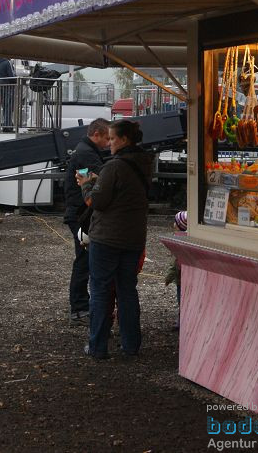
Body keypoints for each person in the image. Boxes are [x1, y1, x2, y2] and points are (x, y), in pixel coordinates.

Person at [77, 119, 152, 359]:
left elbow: (97, 202)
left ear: (124, 139)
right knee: (127, 290)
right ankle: (131, 345)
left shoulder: (115, 167)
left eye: (112, 138)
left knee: (100, 290)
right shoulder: (144, 162)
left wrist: (87, 185)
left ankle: (97, 347)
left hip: (107, 237)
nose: (109, 143)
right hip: (134, 236)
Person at [63, 118, 110, 325]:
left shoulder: (84, 150)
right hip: (81, 213)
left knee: (85, 259)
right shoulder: (87, 154)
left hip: (79, 211)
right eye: (107, 138)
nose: (109, 143)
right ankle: (79, 308)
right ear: (96, 134)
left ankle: (81, 305)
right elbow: (105, 177)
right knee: (83, 260)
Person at [0, 57, 17, 132]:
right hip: (9, 87)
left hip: (0, 87)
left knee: (5, 107)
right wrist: (16, 79)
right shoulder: (7, 62)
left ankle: (7, 124)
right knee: (9, 107)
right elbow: (12, 76)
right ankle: (7, 126)